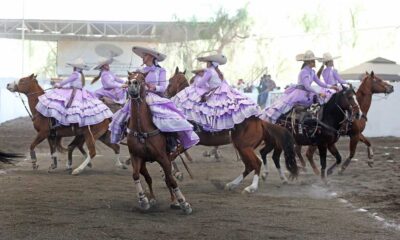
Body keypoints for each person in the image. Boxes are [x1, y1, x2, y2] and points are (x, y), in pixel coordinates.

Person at [109, 46, 199, 153]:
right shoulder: (139, 71)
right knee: (120, 117)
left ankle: (170, 142)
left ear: (151, 57)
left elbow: (164, 87)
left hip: (153, 97)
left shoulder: (160, 70)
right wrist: (127, 85)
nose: (143, 57)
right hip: (137, 98)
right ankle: (125, 136)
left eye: (145, 55)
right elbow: (132, 83)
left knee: (168, 118)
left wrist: (154, 87)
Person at [172, 53, 260, 132]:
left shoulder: (208, 71)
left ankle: (203, 127)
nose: (206, 63)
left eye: (207, 62)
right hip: (223, 90)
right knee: (224, 109)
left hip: (215, 91)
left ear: (210, 63)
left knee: (204, 107)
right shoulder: (219, 72)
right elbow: (223, 83)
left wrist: (196, 85)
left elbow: (200, 84)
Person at [260, 50, 339, 124]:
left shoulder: (312, 72)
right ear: (309, 62)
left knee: (321, 103)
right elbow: (307, 87)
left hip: (307, 94)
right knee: (283, 108)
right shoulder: (304, 72)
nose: (315, 62)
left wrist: (331, 87)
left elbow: (320, 83)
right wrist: (318, 93)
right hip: (300, 94)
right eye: (313, 61)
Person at [35, 58, 113, 127]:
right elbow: (74, 85)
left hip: (74, 92)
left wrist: (58, 85)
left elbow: (66, 81)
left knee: (62, 104)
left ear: (75, 67)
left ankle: (59, 122)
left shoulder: (75, 74)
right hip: (79, 91)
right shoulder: (80, 74)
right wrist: (62, 87)